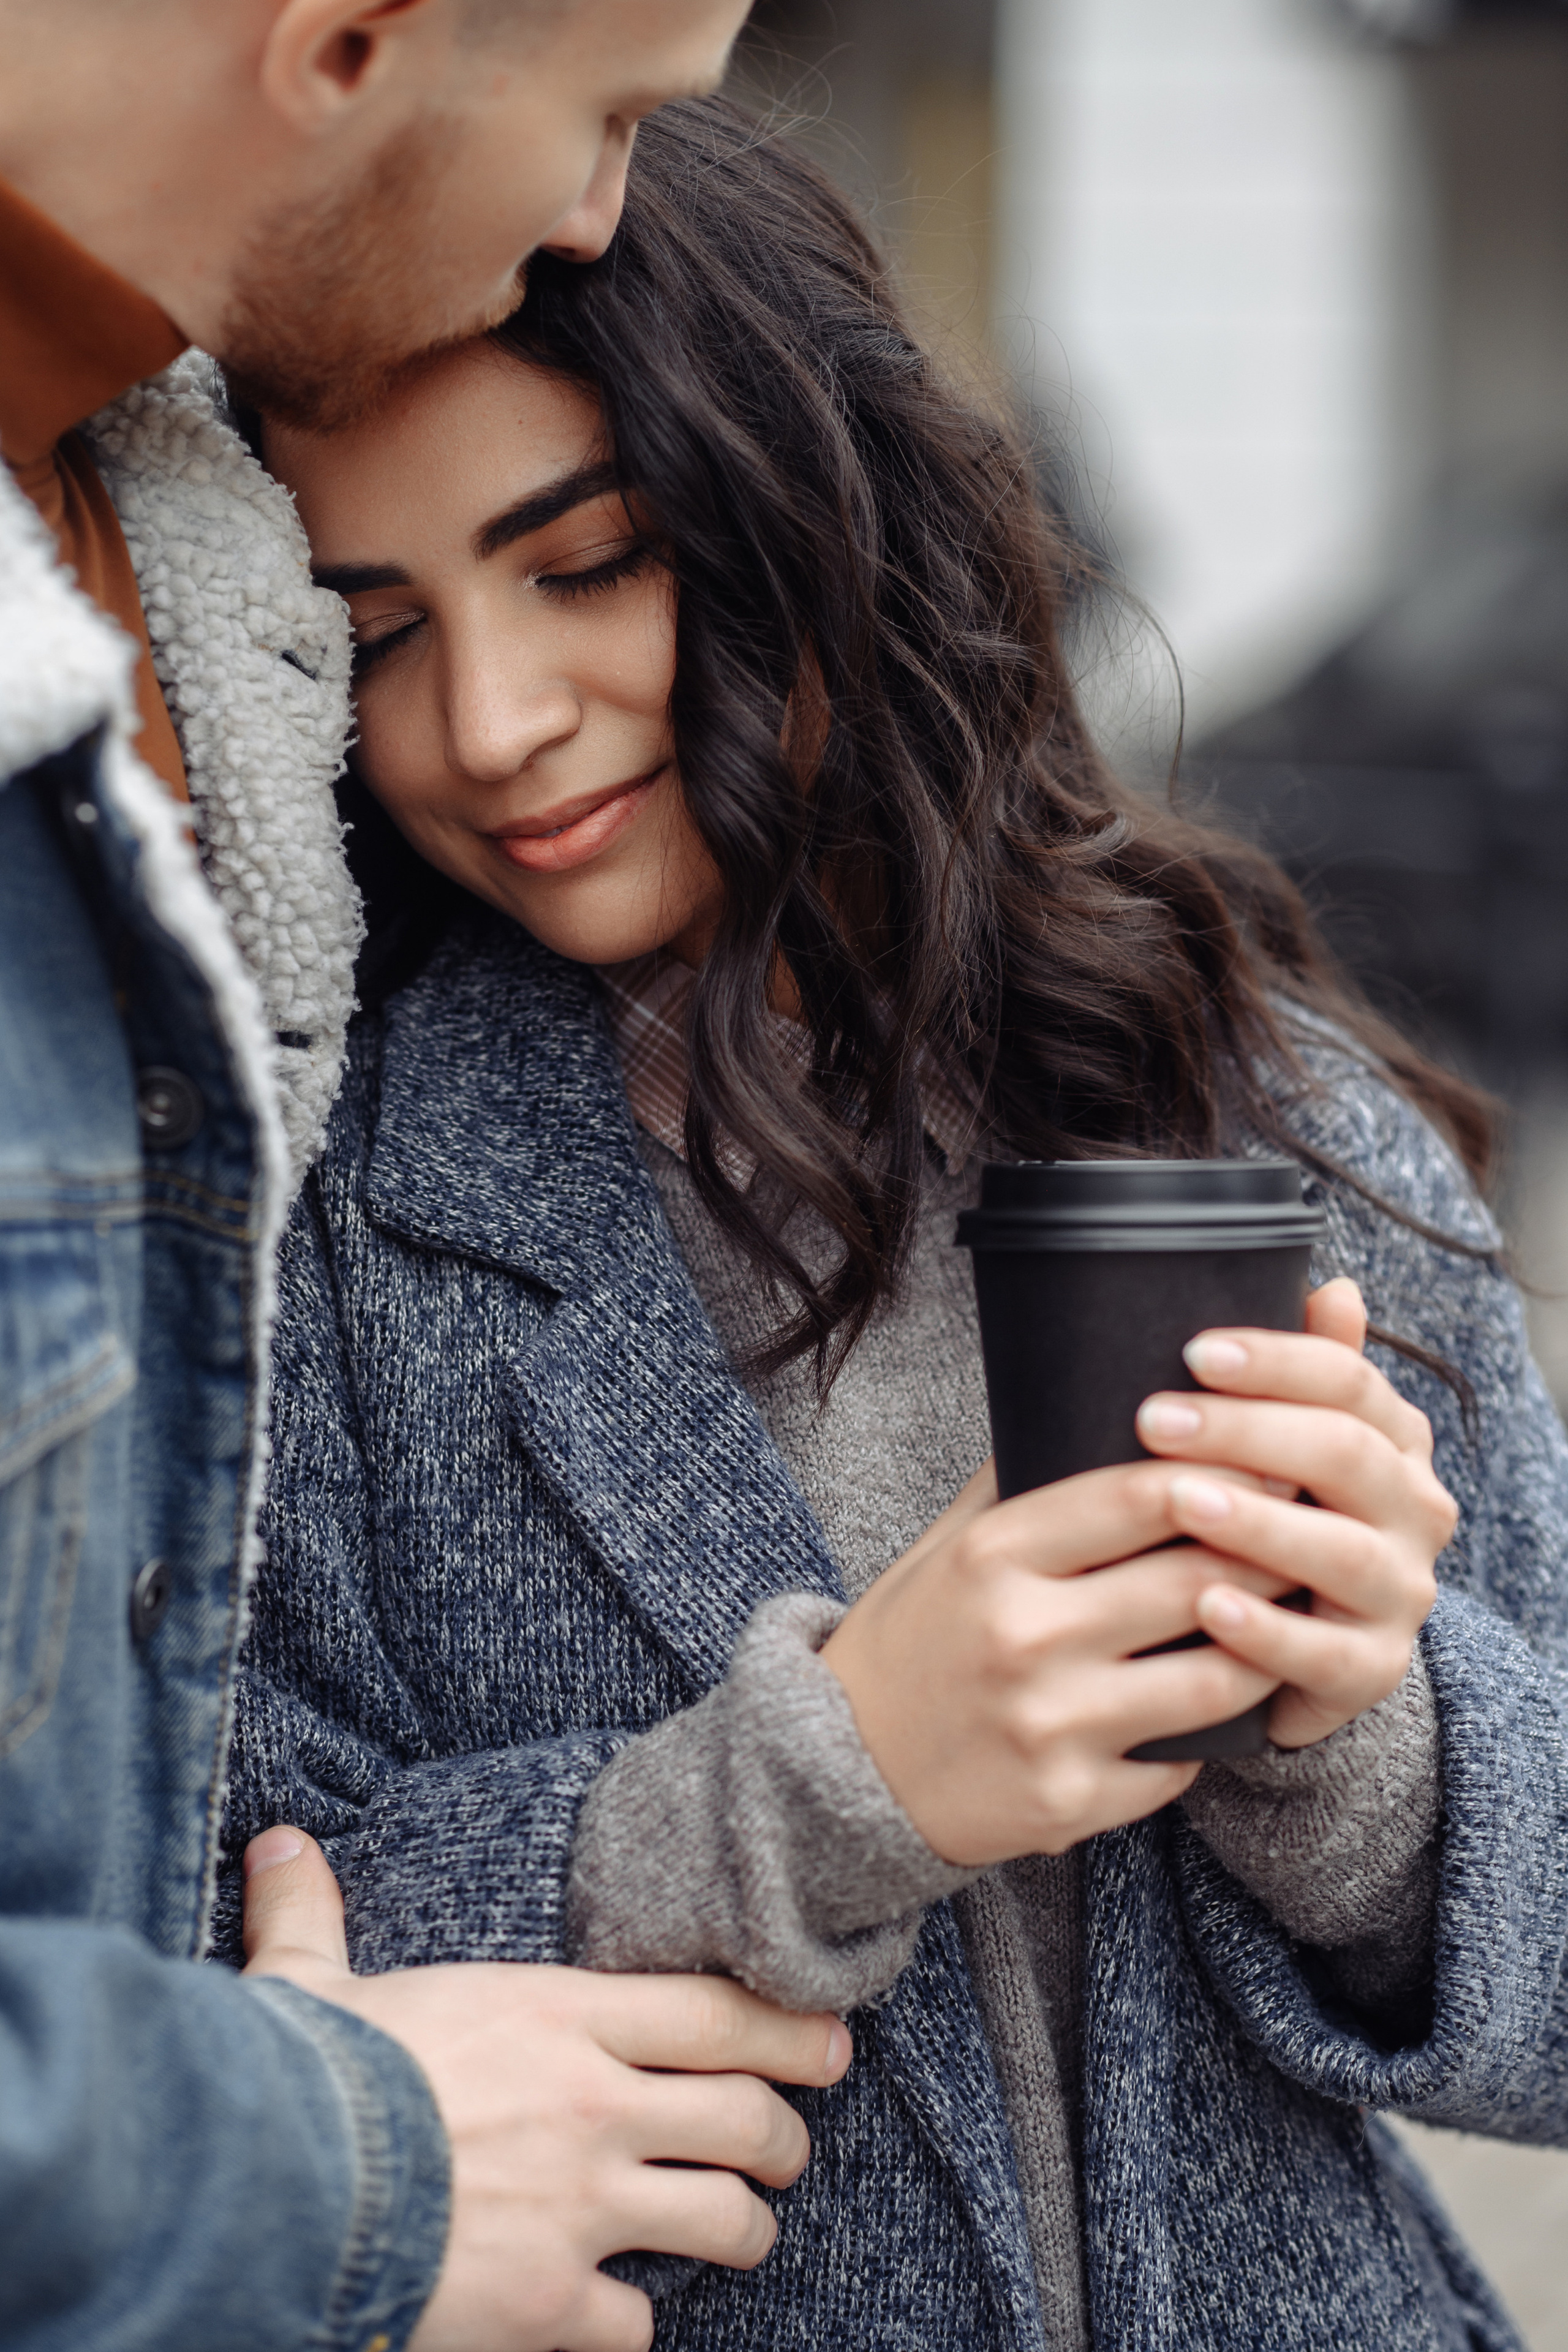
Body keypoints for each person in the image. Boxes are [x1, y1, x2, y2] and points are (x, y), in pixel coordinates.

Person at [222, 94, 1568, 2352]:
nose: (493, 720)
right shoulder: (318, 1218)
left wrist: (1370, 1753)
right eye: (375, 634)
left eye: (588, 562)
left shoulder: (1251, 1095)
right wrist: (834, 1779)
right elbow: (187, 1991)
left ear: (798, 513)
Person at [0, 12, 870, 2352]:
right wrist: (309, 2158)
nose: (604, 209)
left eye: (591, 568)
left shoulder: (144, 566)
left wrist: (1352, 1719)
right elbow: (243, 1862)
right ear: (355, 37)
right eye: (615, 108)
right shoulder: (383, 1171)